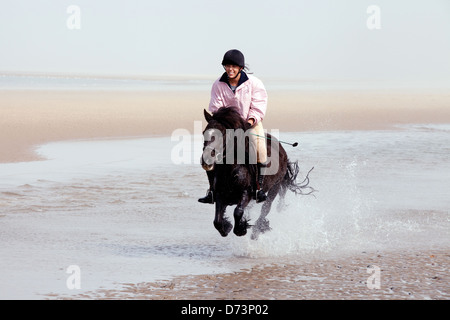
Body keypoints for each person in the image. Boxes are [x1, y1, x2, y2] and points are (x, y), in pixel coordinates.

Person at [198, 49, 268, 204]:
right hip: (227, 126)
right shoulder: (218, 84)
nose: (230, 69)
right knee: (210, 149)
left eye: (233, 66)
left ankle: (258, 188)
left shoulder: (254, 83)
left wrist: (249, 122)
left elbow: (258, 105)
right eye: (227, 66)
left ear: (241, 68)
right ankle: (212, 191)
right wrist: (227, 124)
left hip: (250, 123)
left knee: (261, 150)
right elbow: (216, 107)